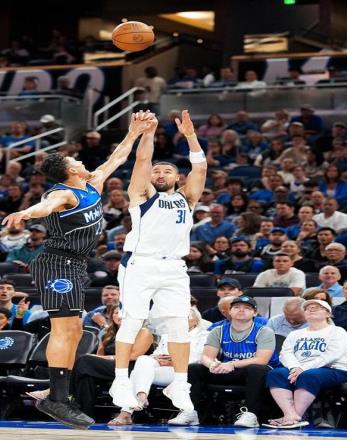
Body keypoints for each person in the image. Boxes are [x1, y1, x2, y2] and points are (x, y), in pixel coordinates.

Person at [1, 111, 155, 428]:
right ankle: (58, 398)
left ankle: (56, 392)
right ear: (71, 170)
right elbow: (45, 206)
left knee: (75, 331)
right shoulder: (63, 193)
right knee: (63, 330)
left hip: (75, 264)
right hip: (57, 263)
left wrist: (134, 132)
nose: (82, 161)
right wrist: (26, 213)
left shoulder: (92, 183)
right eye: (77, 160)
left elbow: (117, 157)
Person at [110, 110, 207, 415]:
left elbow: (200, 167)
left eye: (167, 171)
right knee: (133, 320)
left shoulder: (187, 199)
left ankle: (179, 383)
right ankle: (120, 381)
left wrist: (190, 136)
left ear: (177, 178)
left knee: (179, 324)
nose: (161, 174)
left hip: (175, 267)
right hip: (141, 264)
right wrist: (148, 132)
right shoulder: (141, 194)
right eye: (157, 171)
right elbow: (142, 160)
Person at [108, 306, 210, 426]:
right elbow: (157, 354)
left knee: (136, 374)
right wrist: (155, 358)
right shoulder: (168, 335)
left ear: (196, 321)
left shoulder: (204, 335)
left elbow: (200, 358)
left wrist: (175, 362)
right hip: (164, 369)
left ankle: (126, 413)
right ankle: (142, 395)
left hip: (185, 372)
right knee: (143, 360)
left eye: (186, 317)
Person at [185, 296, 277, 427]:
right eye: (237, 307)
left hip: (252, 372)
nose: (241, 310)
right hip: (226, 370)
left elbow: (262, 360)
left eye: (247, 308)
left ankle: (251, 415)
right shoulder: (218, 330)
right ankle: (190, 412)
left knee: (256, 369)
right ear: (229, 311)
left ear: (255, 313)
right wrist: (212, 365)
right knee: (194, 368)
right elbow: (206, 356)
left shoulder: (264, 331)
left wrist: (232, 364)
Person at [265, 299, 347, 429]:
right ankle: (291, 415)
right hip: (300, 370)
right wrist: (295, 367)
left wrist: (303, 368)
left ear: (328, 314)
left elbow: (332, 354)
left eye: (316, 307)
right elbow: (285, 353)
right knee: (276, 373)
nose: (311, 309)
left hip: (336, 370)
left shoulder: (337, 331)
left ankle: (294, 418)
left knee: (309, 375)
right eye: (307, 308)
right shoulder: (295, 334)